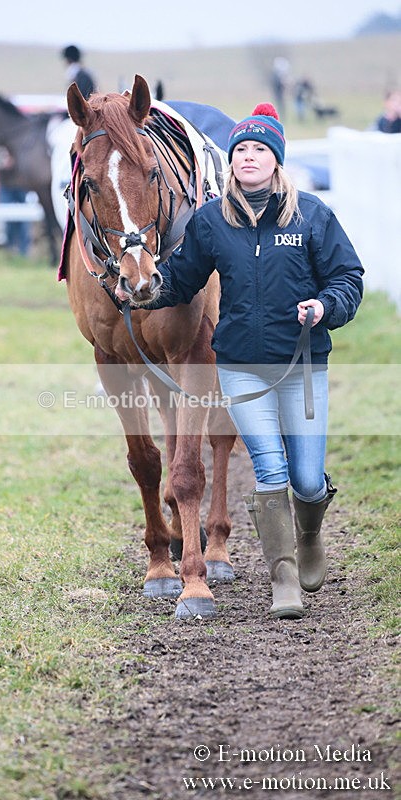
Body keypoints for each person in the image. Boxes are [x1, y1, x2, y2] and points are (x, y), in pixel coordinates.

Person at [123, 103, 364, 621]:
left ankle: (310, 536)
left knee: (306, 478)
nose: (248, 158)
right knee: (270, 470)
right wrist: (142, 289)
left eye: (259, 150)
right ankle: (283, 579)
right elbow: (181, 279)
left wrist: (325, 307)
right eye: (240, 151)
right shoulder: (212, 222)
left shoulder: (312, 216)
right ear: (230, 162)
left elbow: (348, 278)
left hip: (301, 367)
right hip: (240, 367)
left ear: (276, 161)